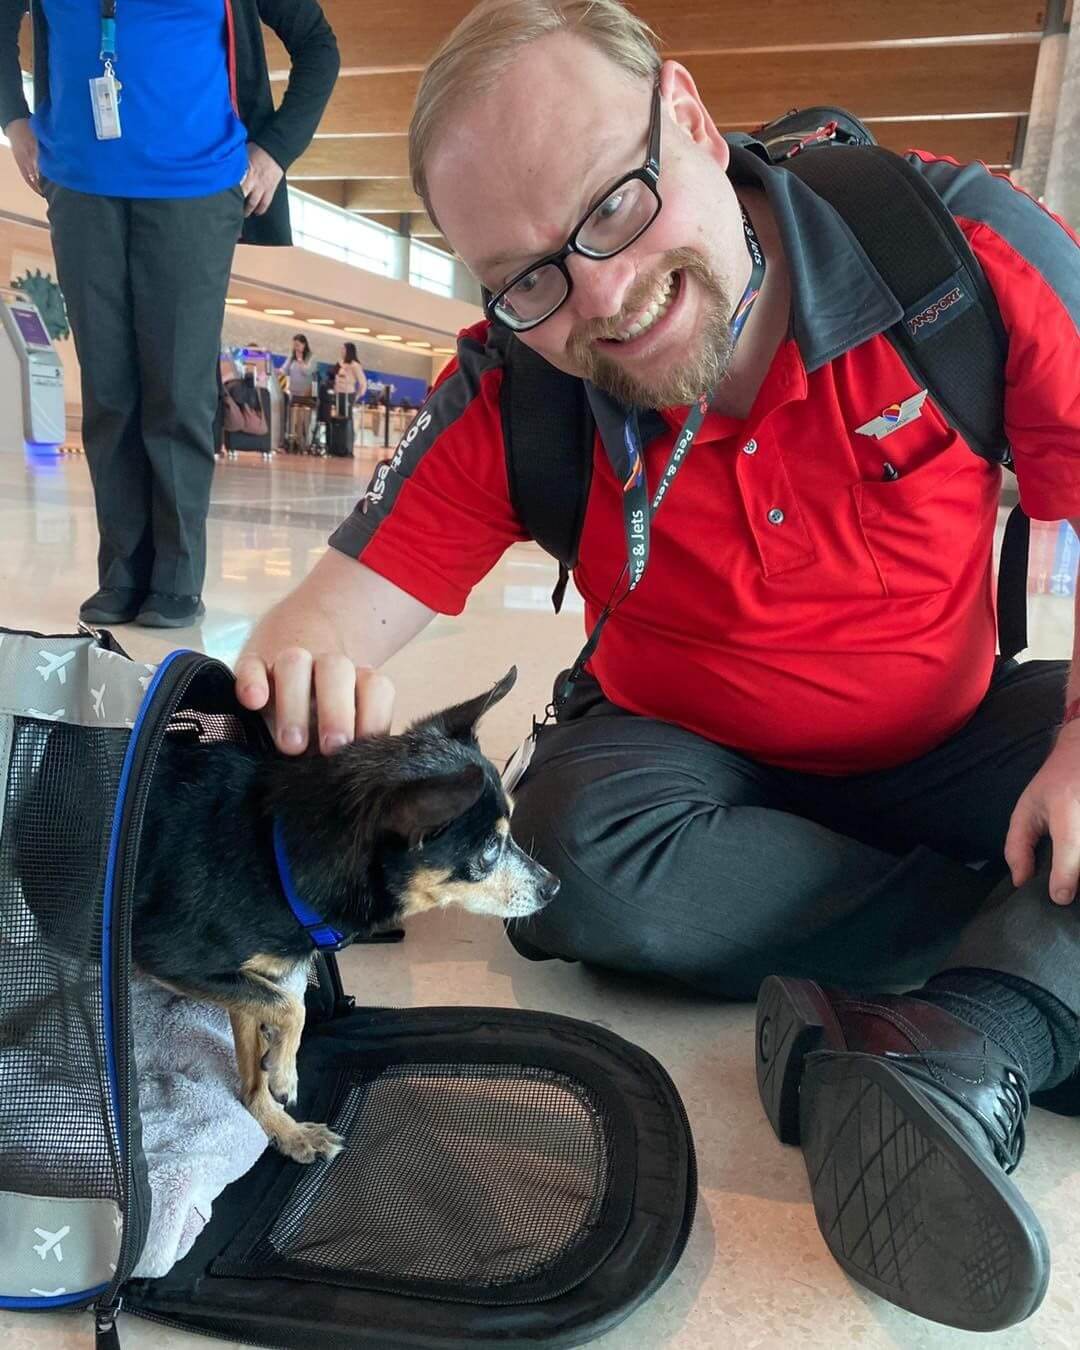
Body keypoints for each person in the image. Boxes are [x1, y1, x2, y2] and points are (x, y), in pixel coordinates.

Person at [235, 0, 1080, 1329]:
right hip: (676, 764)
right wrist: (300, 681)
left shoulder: (952, 253)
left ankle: (955, 1032)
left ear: (688, 117)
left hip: (954, 736)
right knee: (572, 861)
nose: (603, 299)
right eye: (525, 277)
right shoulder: (525, 383)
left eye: (616, 206)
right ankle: (1016, 986)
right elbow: (316, 626)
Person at [0, 1, 339, 627]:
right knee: (109, 391)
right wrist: (14, 120)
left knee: (178, 392)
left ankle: (177, 577)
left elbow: (318, 46)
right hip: (79, 185)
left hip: (195, 190)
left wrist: (274, 151)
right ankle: (122, 572)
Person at [327, 342, 366, 456]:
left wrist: (357, 396)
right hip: (338, 395)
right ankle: (339, 446)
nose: (341, 351)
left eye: (343, 349)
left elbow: (363, 383)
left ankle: (348, 448)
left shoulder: (355, 365)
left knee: (347, 421)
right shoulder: (339, 363)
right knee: (339, 421)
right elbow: (333, 378)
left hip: (348, 395)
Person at [284, 333, 317, 452]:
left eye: (298, 345)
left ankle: (303, 444)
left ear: (304, 345)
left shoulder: (311, 357)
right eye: (294, 345)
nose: (296, 348)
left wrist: (300, 360)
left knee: (303, 422)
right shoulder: (291, 356)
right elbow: (285, 369)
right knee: (292, 420)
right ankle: (292, 442)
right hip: (294, 393)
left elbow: (307, 372)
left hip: (306, 395)